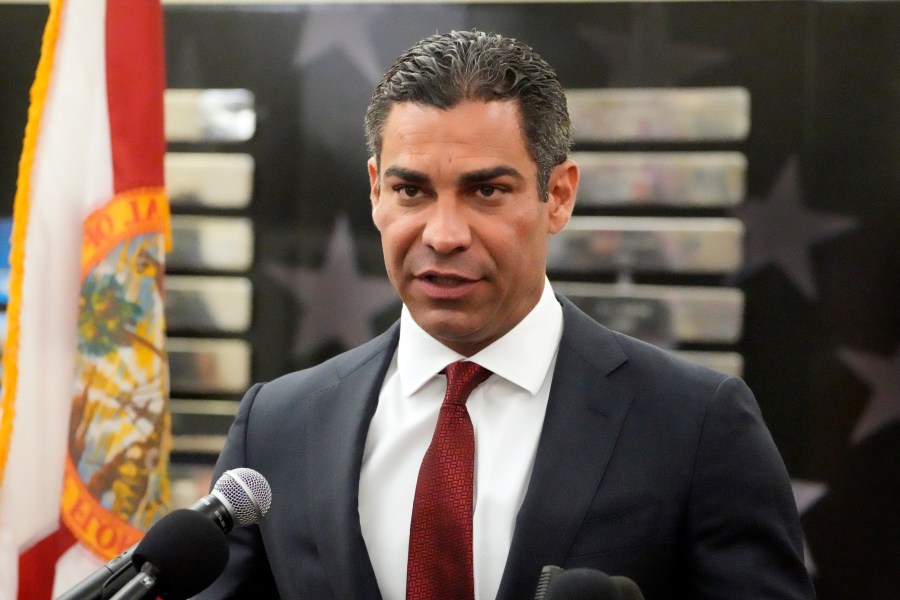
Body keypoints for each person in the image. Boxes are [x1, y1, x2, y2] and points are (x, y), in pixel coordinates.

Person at [196, 30, 815, 600]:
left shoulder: (696, 426)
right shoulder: (277, 426)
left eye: (486, 191)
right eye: (411, 190)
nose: (443, 234)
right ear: (375, 192)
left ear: (560, 195)